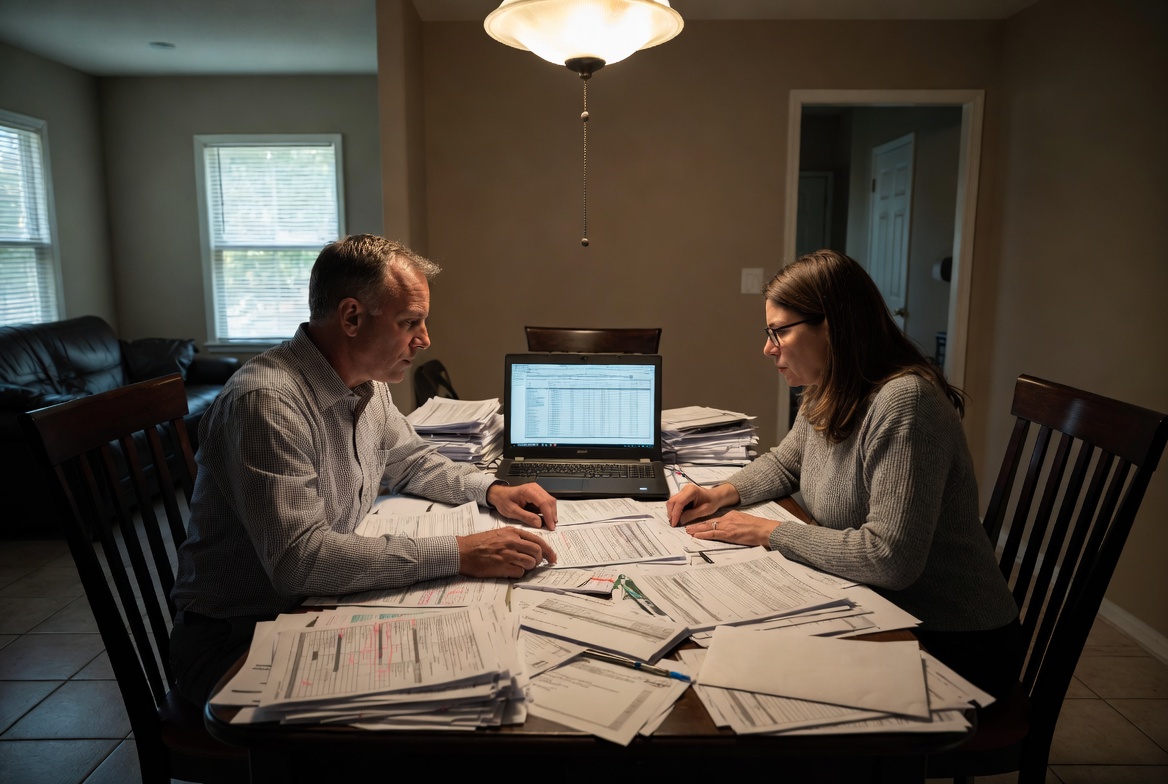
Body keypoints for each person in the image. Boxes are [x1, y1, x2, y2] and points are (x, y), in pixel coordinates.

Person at [170, 234, 558, 706]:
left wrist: (493, 489)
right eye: (409, 322)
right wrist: (458, 552)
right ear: (352, 317)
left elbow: (411, 462)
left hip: (315, 610)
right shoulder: (266, 402)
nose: (425, 339)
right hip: (239, 639)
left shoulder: (367, 386)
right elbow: (301, 561)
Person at [666, 249, 1022, 698]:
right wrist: (720, 493)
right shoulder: (828, 386)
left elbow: (889, 557)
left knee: (745, 678)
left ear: (831, 326)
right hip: (878, 607)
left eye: (779, 331)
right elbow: (786, 462)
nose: (767, 347)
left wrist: (768, 531)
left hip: (950, 638)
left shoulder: (905, 403)